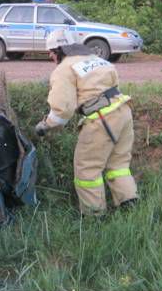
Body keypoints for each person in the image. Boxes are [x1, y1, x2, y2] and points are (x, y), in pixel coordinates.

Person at [35, 29, 138, 216]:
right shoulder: (97, 60)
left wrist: (46, 125)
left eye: (51, 51)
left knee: (87, 170)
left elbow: (62, 108)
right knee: (119, 166)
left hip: (101, 120)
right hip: (123, 112)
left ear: (60, 50)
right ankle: (129, 208)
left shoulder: (64, 69)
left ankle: (94, 217)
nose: (50, 55)